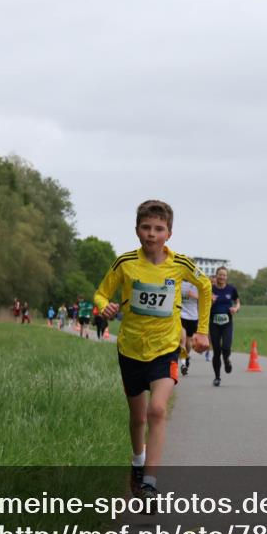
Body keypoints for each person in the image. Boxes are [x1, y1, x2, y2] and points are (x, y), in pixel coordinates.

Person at [94, 200, 211, 509]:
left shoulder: (182, 264)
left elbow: (205, 285)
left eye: (159, 229)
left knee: (158, 409)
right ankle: (137, 461)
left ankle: (149, 482)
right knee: (138, 416)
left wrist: (202, 330)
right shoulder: (125, 263)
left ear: (169, 234)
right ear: (136, 230)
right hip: (131, 348)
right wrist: (103, 305)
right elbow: (101, 292)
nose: (151, 234)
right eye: (146, 228)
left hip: (166, 348)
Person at [209, 267, 240, 387]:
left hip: (227, 323)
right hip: (214, 323)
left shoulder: (231, 289)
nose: (222, 277)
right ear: (216, 276)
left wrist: (236, 308)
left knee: (226, 347)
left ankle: (226, 360)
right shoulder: (210, 289)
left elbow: (237, 302)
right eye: (220, 275)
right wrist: (211, 301)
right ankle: (217, 377)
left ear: (226, 277)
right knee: (216, 351)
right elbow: (203, 304)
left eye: (224, 275)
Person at [179, 280, 200, 376]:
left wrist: (194, 296)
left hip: (192, 317)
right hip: (180, 315)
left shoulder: (197, 283)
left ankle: (186, 357)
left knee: (188, 342)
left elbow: (205, 298)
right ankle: (183, 363)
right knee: (182, 341)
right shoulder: (178, 281)